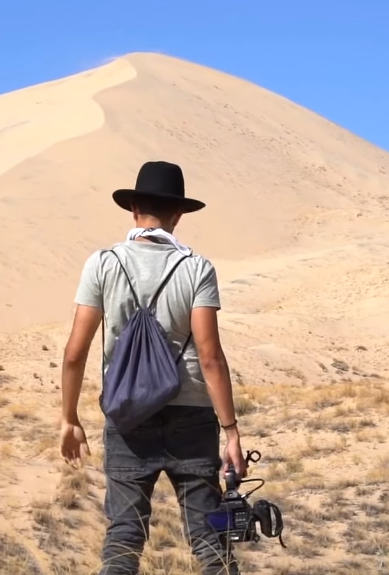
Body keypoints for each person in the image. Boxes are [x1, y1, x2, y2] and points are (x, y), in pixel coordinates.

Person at [59, 160, 247, 575]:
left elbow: (75, 353)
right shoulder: (197, 268)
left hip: (128, 416)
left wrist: (70, 419)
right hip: (194, 418)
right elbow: (211, 356)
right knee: (210, 539)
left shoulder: (103, 264)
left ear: (133, 211)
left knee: (125, 535)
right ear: (179, 214)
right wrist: (231, 432)